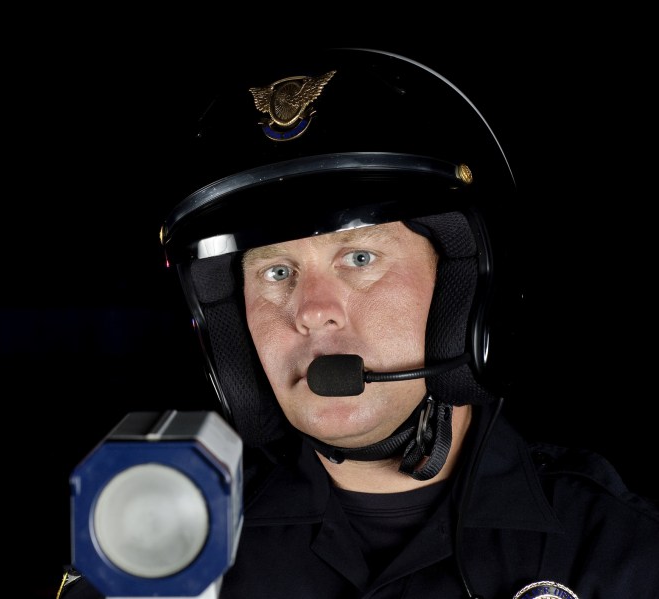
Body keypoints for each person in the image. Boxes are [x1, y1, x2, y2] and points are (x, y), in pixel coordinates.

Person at [59, 47, 659, 598]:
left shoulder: (613, 547)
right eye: (275, 273)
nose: (312, 310)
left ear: (461, 287)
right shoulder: (156, 542)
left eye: (361, 258)